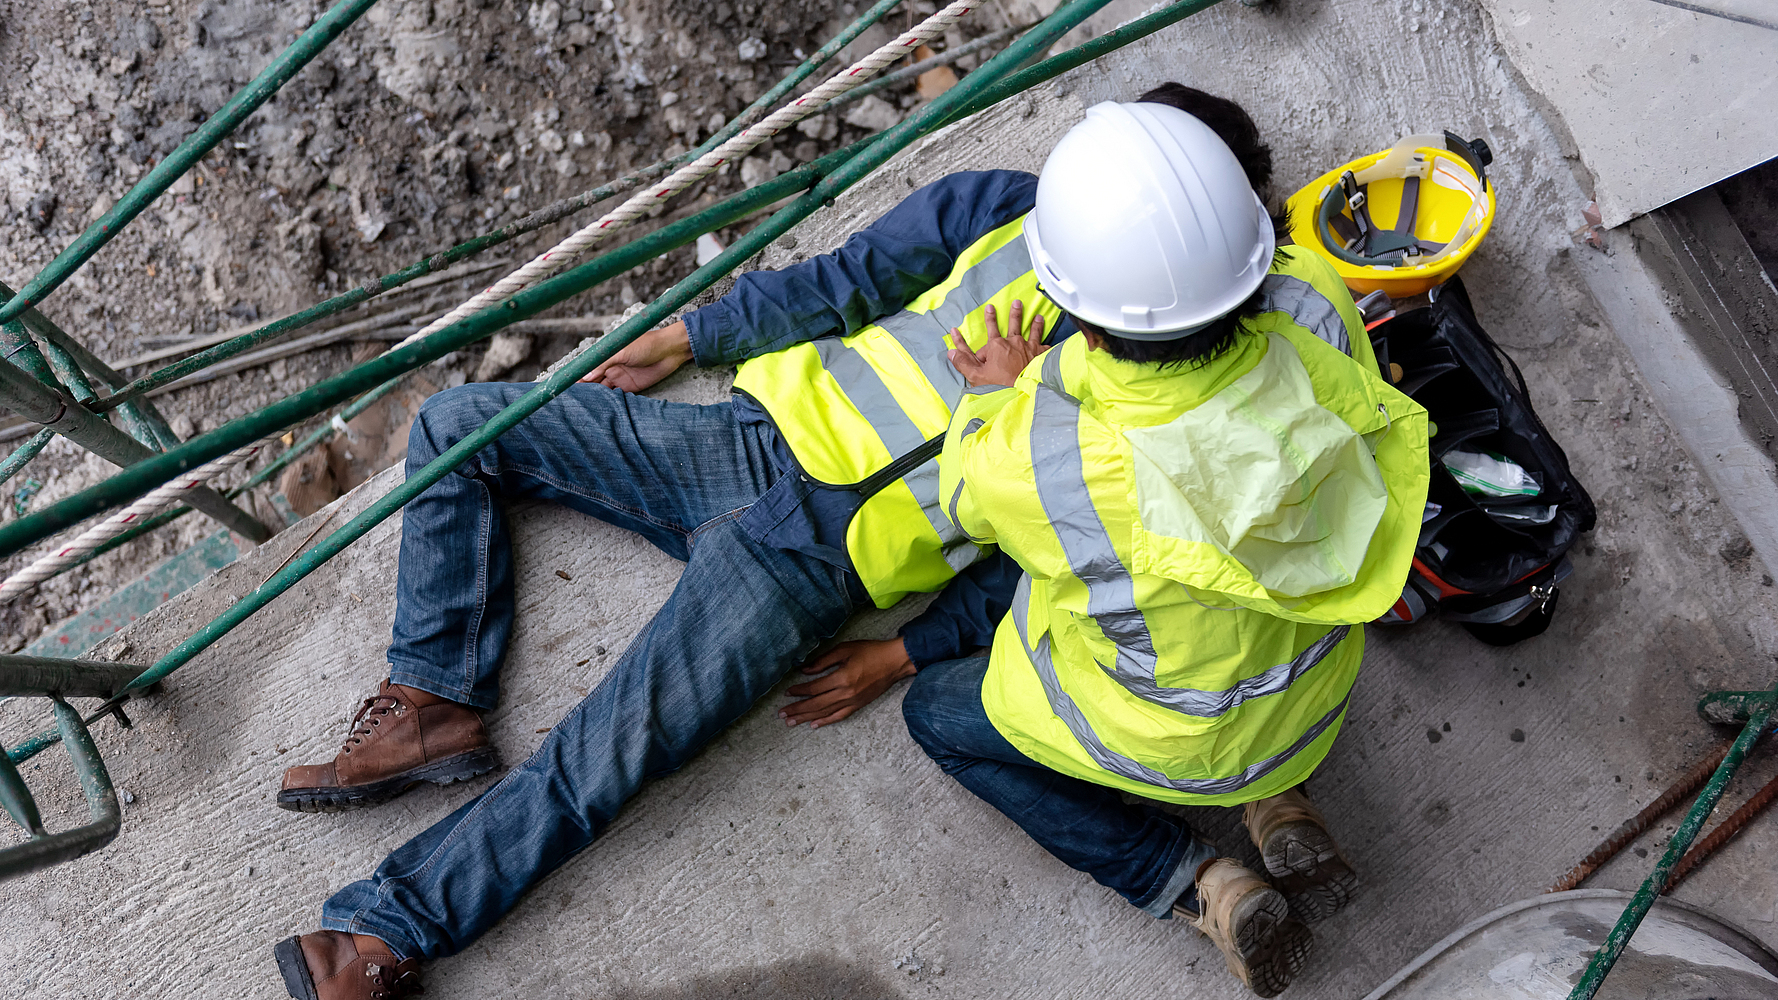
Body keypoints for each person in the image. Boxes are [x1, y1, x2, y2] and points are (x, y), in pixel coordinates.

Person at [268, 84, 1336, 1000]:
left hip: (813, 564)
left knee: (593, 760)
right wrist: (697, 332)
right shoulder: (1004, 208)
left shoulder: (1142, 398)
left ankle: (383, 936)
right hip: (744, 435)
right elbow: (850, 277)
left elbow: (1047, 564)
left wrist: (903, 651)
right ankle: (432, 699)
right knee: (460, 425)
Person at [910, 100, 1432, 997]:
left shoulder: (1043, 447)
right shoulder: (1317, 301)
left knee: (936, 716)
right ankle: (1276, 807)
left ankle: (1204, 883)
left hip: (1168, 738)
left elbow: (961, 502)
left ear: (1079, 311)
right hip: (1312, 693)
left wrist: (999, 393)